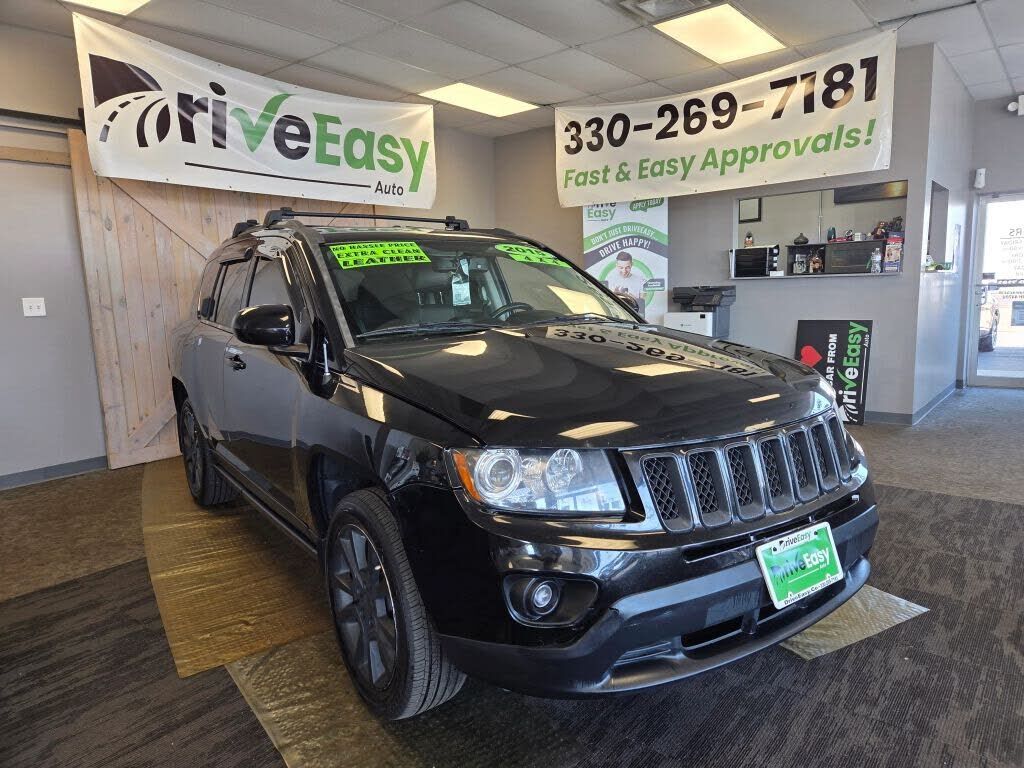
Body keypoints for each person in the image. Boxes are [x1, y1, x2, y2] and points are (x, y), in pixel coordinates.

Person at [606, 251, 647, 316]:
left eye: (627, 267)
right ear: (616, 265)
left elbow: (642, 308)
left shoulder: (641, 281)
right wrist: (613, 295)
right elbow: (606, 305)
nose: (624, 271)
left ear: (632, 264)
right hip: (615, 316)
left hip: (634, 316)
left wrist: (633, 299)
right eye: (621, 267)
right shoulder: (609, 280)